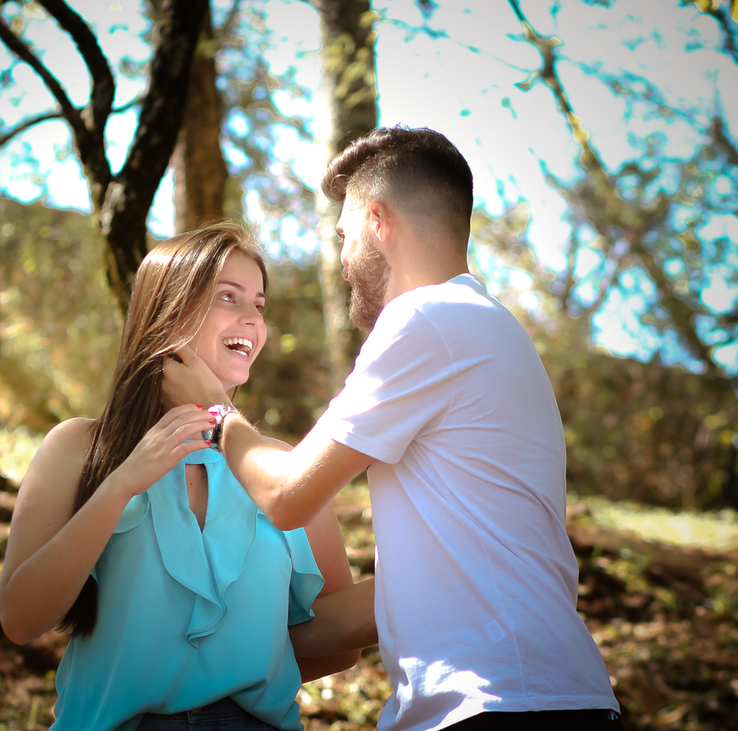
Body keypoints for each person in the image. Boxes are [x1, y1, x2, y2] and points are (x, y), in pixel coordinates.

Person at [162, 127, 622, 731]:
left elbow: (285, 496)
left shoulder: (426, 319)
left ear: (378, 220)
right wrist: (187, 655)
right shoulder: (487, 328)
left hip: (499, 703)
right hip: (546, 696)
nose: (344, 258)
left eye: (346, 233)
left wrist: (216, 413)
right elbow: (410, 593)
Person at [0, 221, 375, 731]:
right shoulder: (79, 448)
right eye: (228, 297)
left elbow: (337, 646)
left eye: (259, 305)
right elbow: (21, 620)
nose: (252, 318)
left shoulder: (282, 467)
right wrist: (121, 484)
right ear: (168, 312)